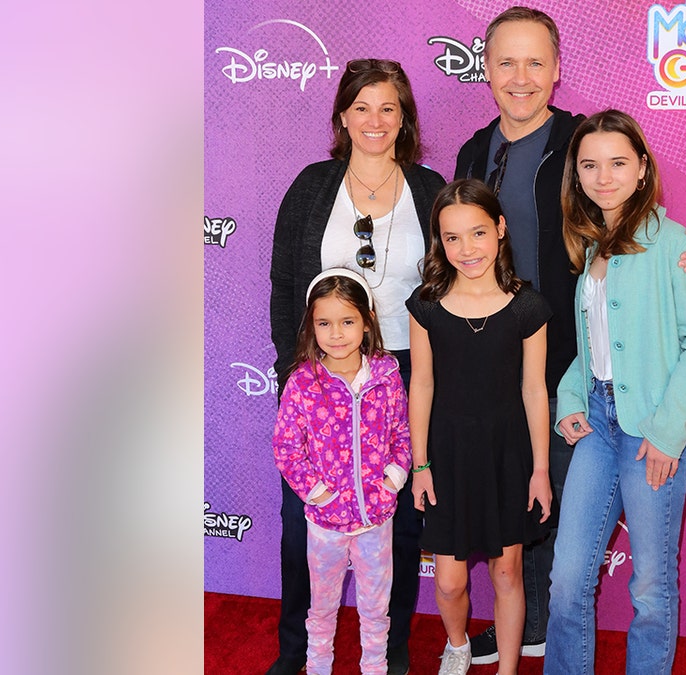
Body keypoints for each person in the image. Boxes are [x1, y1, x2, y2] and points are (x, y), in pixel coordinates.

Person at [452, 6, 686, 665]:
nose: (521, 77)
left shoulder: (578, 140)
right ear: (484, 69)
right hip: (539, 384)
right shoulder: (475, 154)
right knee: (558, 558)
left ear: (557, 71)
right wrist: (577, 395)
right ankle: (544, 637)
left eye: (536, 62)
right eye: (506, 62)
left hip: (625, 407)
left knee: (648, 582)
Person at [268, 58, 447, 675]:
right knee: (302, 526)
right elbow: (285, 284)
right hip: (319, 373)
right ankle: (296, 653)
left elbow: (451, 286)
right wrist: (295, 373)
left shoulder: (429, 191)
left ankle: (388, 654)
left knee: (396, 530)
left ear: (405, 118)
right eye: (362, 107)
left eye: (388, 108)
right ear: (343, 115)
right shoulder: (312, 186)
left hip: (399, 373)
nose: (375, 120)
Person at [542, 110, 686, 675]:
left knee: (650, 583)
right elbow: (593, 348)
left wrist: (669, 431)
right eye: (590, 165)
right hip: (599, 423)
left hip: (658, 426)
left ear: (642, 169)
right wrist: (572, 401)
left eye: (618, 163)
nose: (604, 177)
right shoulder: (591, 251)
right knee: (568, 575)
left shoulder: (678, 246)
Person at [405, 179, 553, 675]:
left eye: (477, 234)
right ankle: (459, 645)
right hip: (446, 454)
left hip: (506, 454)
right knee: (448, 582)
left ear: (500, 230)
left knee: (507, 571)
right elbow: (421, 386)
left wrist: (540, 470)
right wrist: (420, 464)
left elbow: (534, 390)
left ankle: (508, 669)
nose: (466, 250)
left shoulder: (527, 306)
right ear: (439, 242)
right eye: (451, 238)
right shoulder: (425, 306)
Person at [272, 268, 412, 675]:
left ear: (367, 322)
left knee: (375, 609)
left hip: (375, 520)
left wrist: (392, 481)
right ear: (311, 326)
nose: (336, 333)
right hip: (325, 524)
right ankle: (318, 666)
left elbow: (402, 434)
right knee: (322, 607)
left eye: (347, 321)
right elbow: (286, 447)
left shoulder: (386, 377)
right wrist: (318, 494)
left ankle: (375, 667)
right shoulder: (301, 383)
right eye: (324, 323)